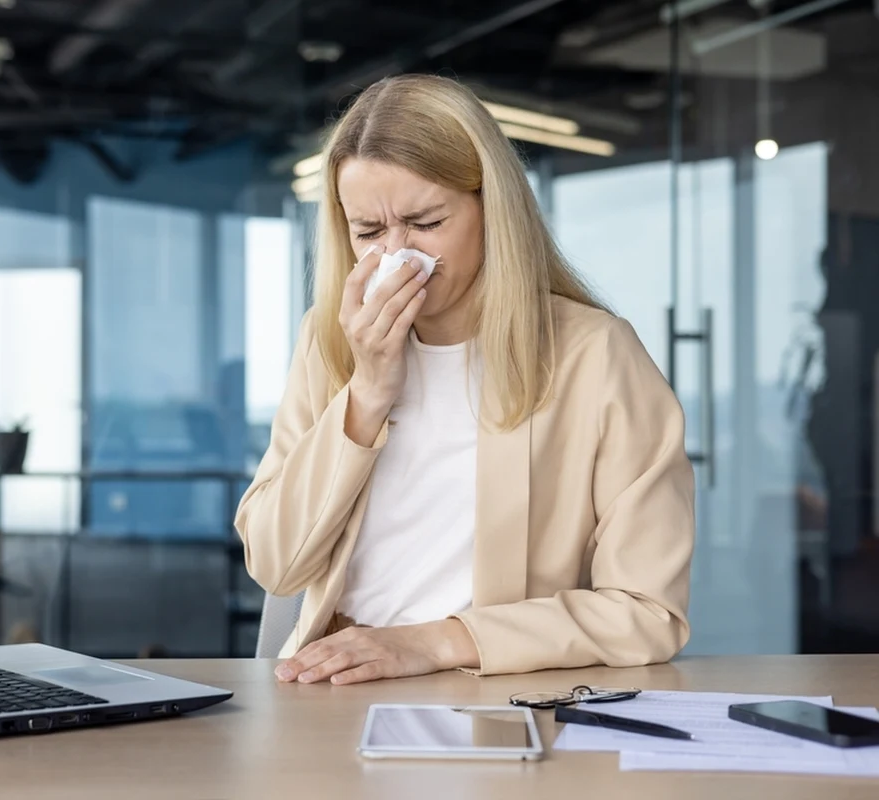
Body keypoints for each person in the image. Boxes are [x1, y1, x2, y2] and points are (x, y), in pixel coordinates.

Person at [234, 74, 695, 685]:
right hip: (335, 685)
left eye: (425, 222)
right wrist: (367, 392)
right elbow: (275, 564)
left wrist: (437, 642)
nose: (398, 256)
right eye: (368, 232)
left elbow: (647, 613)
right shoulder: (329, 341)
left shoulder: (595, 355)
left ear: (491, 209)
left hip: (497, 688)